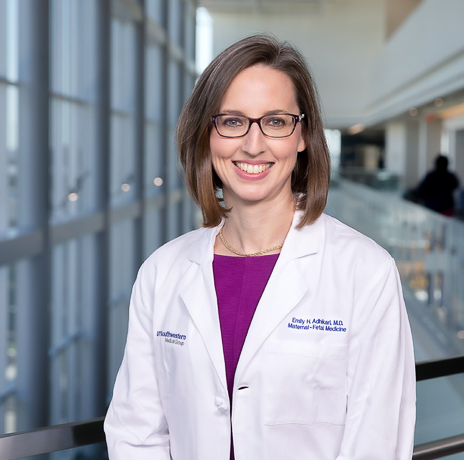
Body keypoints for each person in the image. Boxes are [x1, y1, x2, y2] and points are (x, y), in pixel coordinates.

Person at [104, 34, 415, 460]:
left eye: (275, 121)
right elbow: (136, 431)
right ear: (206, 136)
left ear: (302, 135)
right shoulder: (162, 272)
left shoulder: (365, 271)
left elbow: (377, 440)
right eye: (232, 121)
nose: (253, 144)